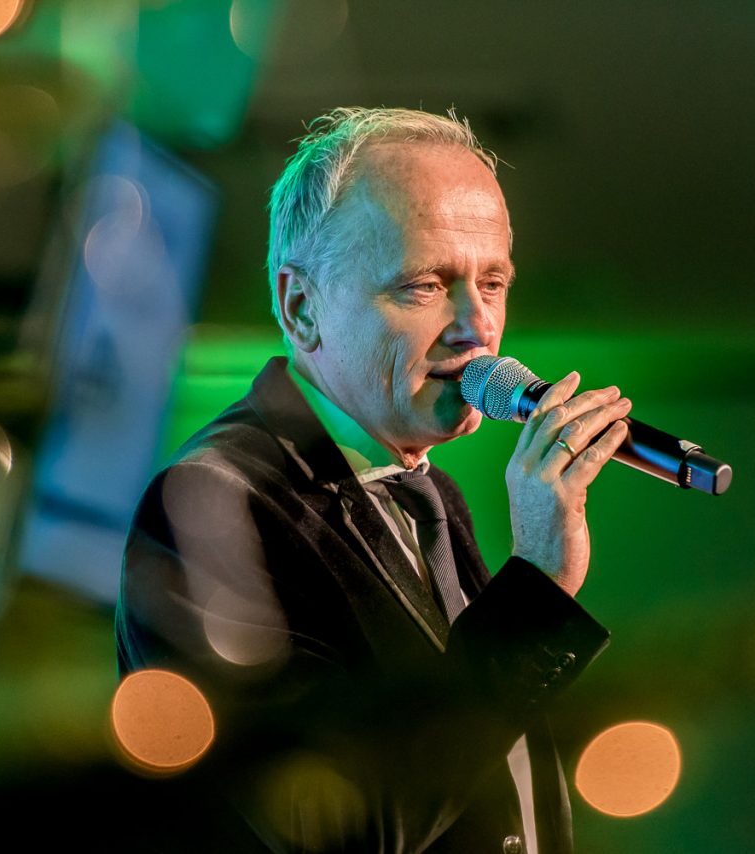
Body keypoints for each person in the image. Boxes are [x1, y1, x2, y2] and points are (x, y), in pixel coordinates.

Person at [116, 107, 633, 853]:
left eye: (493, 282)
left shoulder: (432, 498)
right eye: (424, 286)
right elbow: (326, 824)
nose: (476, 326)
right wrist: (535, 595)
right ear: (301, 308)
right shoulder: (212, 500)